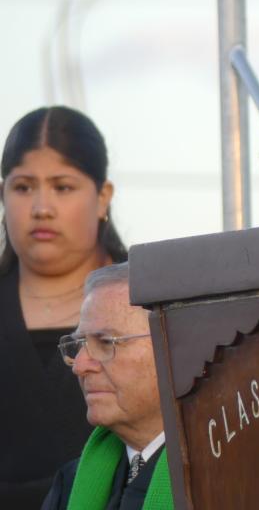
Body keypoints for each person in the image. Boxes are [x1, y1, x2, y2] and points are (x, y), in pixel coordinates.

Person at [0, 106, 127, 508]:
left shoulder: (148, 303)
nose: (42, 207)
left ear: (102, 196)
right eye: (22, 187)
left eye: (63, 187)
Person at [42, 262, 171, 510]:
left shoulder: (231, 477)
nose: (79, 366)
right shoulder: (71, 483)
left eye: (105, 342)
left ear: (172, 347)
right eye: (80, 343)